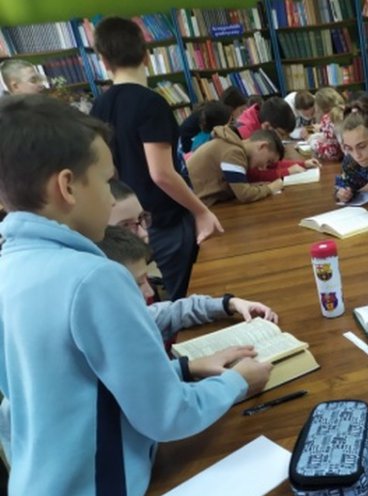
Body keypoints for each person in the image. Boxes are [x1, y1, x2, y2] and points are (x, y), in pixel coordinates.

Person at [0, 94, 271, 496]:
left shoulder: (9, 266)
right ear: (67, 186)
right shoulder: (92, 278)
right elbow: (167, 416)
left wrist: (186, 368)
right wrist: (237, 382)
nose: (112, 197)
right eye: (105, 182)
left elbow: (68, 385)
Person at [90, 16, 222, 300]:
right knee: (183, 293)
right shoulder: (150, 103)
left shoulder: (98, 106)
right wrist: (201, 211)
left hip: (126, 221)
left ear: (104, 61)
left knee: (144, 293)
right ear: (146, 56)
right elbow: (161, 173)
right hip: (164, 220)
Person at [98, 225, 278, 345]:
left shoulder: (132, 315)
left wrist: (230, 303)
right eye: (138, 283)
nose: (149, 292)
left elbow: (173, 312)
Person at [187, 127, 286, 206]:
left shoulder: (231, 147)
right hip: (190, 210)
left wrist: (255, 187)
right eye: (268, 161)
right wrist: (270, 188)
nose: (264, 167)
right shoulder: (233, 153)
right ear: (262, 146)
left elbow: (234, 188)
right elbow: (244, 195)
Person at [178, 86, 246, 154]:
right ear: (231, 108)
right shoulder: (217, 115)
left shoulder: (216, 110)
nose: (243, 113)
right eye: (241, 110)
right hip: (188, 145)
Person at [307, 86, 345, 161]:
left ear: (318, 107)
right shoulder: (343, 110)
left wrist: (313, 143)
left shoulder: (328, 119)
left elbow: (332, 153)